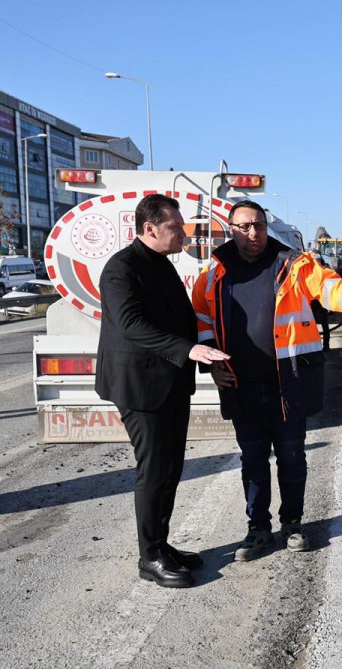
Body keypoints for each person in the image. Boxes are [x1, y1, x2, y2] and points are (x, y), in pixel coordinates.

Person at [191, 200, 342, 561]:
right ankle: (258, 529)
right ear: (230, 230)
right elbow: (202, 317)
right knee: (253, 460)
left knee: (292, 457)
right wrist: (210, 362)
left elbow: (327, 286)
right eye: (245, 226)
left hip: (288, 383)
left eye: (259, 226)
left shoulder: (294, 265)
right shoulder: (213, 275)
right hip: (240, 384)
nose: (253, 233)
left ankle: (292, 523)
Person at [95, 194, 230, 588]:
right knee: (153, 471)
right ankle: (149, 557)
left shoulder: (163, 265)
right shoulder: (121, 269)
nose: (184, 233)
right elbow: (131, 324)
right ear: (149, 228)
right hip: (140, 386)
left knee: (171, 468)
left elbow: (181, 321)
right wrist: (189, 350)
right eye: (175, 227)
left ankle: (162, 544)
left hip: (170, 382)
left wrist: (203, 360)